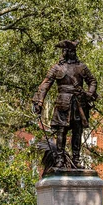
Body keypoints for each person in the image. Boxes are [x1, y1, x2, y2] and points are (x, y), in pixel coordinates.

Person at [32, 40, 97, 169]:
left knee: (77, 132)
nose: (72, 53)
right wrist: (39, 101)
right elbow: (45, 84)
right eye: (70, 51)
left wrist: (90, 93)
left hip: (78, 103)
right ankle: (60, 159)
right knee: (61, 131)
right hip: (63, 102)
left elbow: (92, 81)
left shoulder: (81, 67)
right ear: (65, 52)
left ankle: (76, 159)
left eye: (74, 51)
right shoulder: (57, 68)